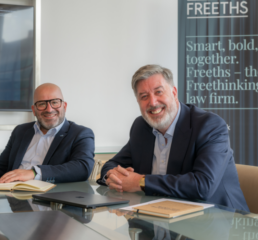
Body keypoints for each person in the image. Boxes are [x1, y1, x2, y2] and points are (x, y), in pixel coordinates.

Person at [98, 64, 249, 211]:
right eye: (144, 96)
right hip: (159, 217)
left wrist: (140, 182)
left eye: (158, 92)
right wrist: (112, 176)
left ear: (174, 93)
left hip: (219, 220)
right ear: (138, 102)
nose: (152, 102)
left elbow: (203, 186)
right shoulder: (141, 127)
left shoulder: (209, 125)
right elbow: (112, 164)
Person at [0, 83, 95, 184]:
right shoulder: (21, 131)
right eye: (42, 104)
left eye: (55, 102)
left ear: (64, 106)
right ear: (34, 109)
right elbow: (1, 167)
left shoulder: (81, 133)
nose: (49, 109)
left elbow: (82, 168)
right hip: (14, 199)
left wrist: (34, 173)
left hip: (53, 205)